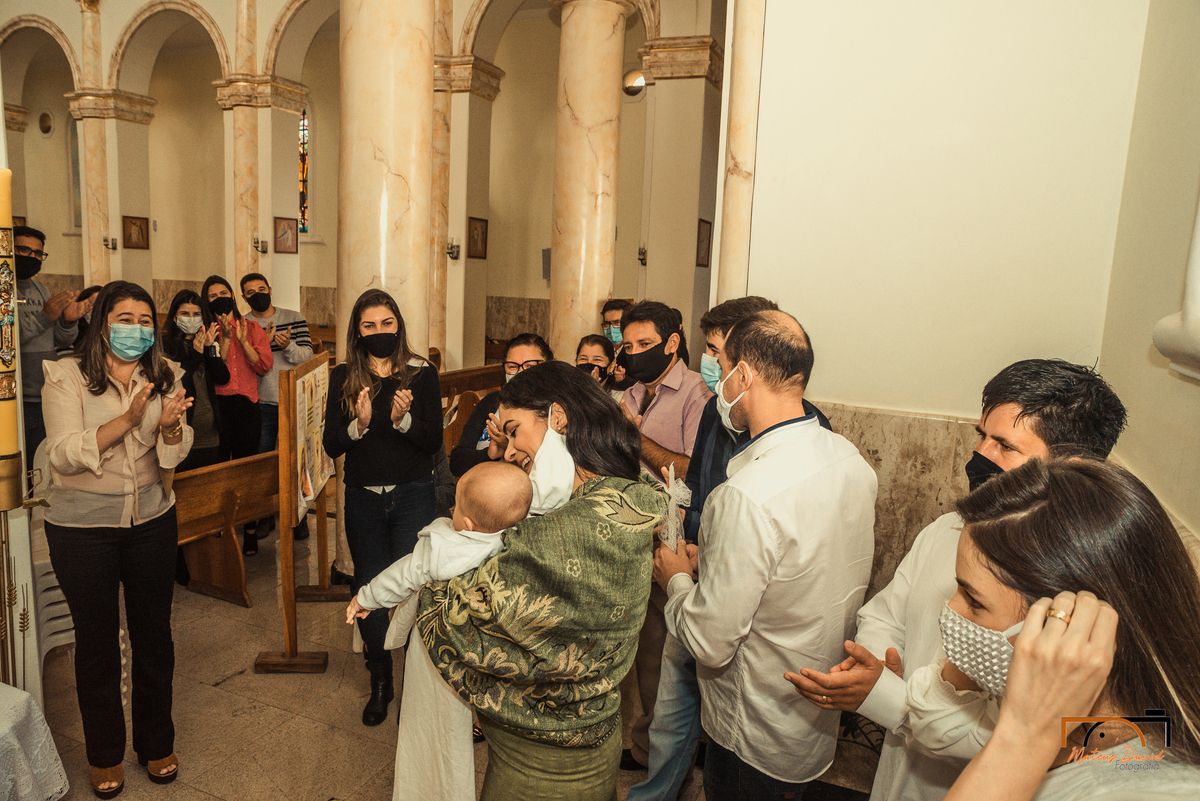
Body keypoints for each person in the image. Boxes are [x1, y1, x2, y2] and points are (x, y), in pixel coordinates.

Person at [786, 359, 1128, 801]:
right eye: (980, 436)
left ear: (1070, 467)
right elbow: (886, 612)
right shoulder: (949, 529)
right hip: (897, 773)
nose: (981, 455)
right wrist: (883, 660)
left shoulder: (1078, 600)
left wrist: (897, 702)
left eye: (1004, 445)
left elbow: (1036, 735)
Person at [414, 361, 667, 800]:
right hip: (592, 740)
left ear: (558, 418)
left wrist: (433, 563)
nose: (509, 451)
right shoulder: (626, 491)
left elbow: (450, 619)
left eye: (513, 431)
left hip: (540, 770)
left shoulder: (564, 532)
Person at [654, 310, 877, 800]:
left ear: (744, 375)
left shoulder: (747, 494)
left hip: (752, 723)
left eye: (722, 363)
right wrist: (713, 559)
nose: (717, 378)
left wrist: (676, 579)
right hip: (811, 714)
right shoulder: (848, 458)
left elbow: (712, 643)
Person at [626, 295, 832, 801]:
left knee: (733, 750)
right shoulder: (721, 415)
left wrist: (682, 570)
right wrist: (693, 541)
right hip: (697, 574)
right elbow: (697, 481)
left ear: (748, 364)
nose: (711, 365)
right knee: (672, 716)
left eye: (719, 353)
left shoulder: (809, 435)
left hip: (743, 613)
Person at [911, 457, 1200, 799]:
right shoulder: (1052, 699)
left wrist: (1025, 736)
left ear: (1077, 622)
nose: (952, 608)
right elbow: (935, 719)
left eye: (975, 601)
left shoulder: (1150, 789)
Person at [41, 280, 193, 798]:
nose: (137, 329)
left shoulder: (165, 373)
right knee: (98, 642)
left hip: (151, 519)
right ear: (102, 321)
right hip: (82, 530)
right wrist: (129, 420)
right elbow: (62, 453)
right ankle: (104, 753)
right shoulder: (65, 377)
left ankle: (156, 742)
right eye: (125, 318)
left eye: (146, 320)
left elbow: (174, 452)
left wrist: (170, 429)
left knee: (155, 636)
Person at [322, 289, 442, 726]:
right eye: (368, 326)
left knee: (413, 588)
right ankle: (380, 678)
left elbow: (432, 441)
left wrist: (401, 422)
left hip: (413, 495)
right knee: (370, 588)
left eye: (386, 324)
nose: (378, 332)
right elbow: (331, 442)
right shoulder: (344, 377)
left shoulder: (422, 373)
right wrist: (360, 425)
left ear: (398, 325)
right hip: (364, 500)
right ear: (357, 331)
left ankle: (417, 678)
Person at [617, 300, 712, 772]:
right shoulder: (632, 392)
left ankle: (669, 753)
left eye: (645, 345)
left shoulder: (697, 395)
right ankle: (643, 744)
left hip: (670, 539)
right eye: (628, 346)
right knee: (638, 652)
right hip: (628, 530)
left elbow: (695, 473)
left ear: (672, 344)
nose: (635, 355)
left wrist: (636, 441)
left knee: (663, 653)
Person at [345, 460, 532, 631]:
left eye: (457, 506)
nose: (453, 511)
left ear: (468, 525)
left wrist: (365, 599)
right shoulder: (519, 543)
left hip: (443, 637)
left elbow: (402, 576)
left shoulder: (443, 549)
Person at [200, 275, 272, 555]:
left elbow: (264, 366)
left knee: (247, 472)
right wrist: (226, 340)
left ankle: (250, 531)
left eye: (224, 293)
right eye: (213, 296)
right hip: (218, 408)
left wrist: (243, 341)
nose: (220, 298)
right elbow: (217, 375)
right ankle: (219, 529)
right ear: (207, 302)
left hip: (246, 406)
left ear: (233, 295)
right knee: (219, 470)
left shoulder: (252, 327)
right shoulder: (206, 331)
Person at [240, 272, 313, 538]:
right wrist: (261, 347)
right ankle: (264, 515)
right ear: (244, 297)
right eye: (251, 292)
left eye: (261, 288)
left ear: (270, 289)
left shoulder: (293, 317)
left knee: (296, 460)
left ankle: (298, 515)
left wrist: (288, 345)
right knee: (264, 461)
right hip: (260, 401)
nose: (258, 294)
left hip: (292, 399)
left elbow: (307, 356)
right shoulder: (244, 324)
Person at [15, 225, 93, 461]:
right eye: (25, 251)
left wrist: (68, 322)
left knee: (41, 461)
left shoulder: (41, 289)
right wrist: (44, 317)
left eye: (38, 253)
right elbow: (6, 341)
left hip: (45, 392)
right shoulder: (4, 289)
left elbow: (59, 340)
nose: (33, 257)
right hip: (17, 398)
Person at [448, 333, 552, 479]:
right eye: (512, 366)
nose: (520, 372)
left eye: (529, 366)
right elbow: (457, 462)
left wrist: (512, 444)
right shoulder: (492, 402)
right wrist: (490, 455)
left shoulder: (554, 410)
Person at [161, 290, 227, 472]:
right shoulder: (165, 344)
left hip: (209, 433)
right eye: (185, 314)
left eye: (196, 314)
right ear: (175, 317)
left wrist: (209, 348)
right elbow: (173, 380)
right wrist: (196, 355)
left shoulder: (208, 341)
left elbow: (223, 377)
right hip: (180, 432)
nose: (191, 318)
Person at [576, 333, 624, 401]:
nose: (589, 363)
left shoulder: (621, 399)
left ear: (612, 365)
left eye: (597, 359)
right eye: (583, 359)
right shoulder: (566, 394)